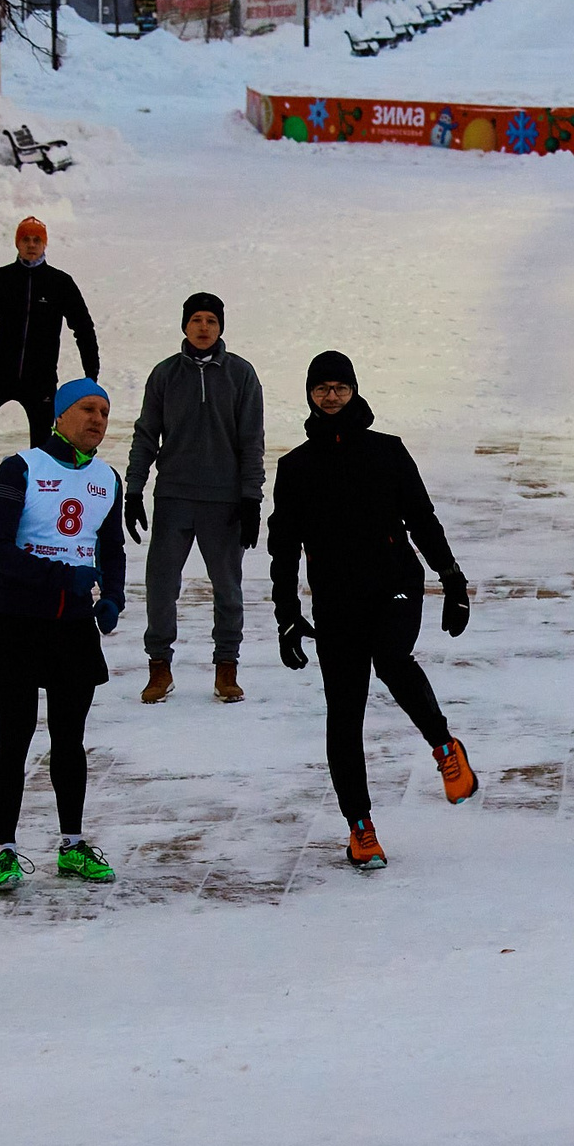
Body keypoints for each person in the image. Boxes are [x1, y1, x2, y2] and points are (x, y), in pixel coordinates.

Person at [269, 352, 479, 872]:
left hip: (394, 586)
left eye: (340, 388)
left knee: (390, 659)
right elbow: (282, 546)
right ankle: (360, 828)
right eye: (322, 389)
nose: (331, 397)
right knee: (344, 715)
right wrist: (287, 614)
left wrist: (451, 577)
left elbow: (422, 518)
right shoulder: (295, 467)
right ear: (310, 395)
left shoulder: (388, 451)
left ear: (355, 392)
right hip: (336, 601)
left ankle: (444, 746)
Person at [0, 379, 126, 893]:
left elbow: (112, 550)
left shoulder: (108, 478)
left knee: (70, 739)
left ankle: (71, 844)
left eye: (105, 412)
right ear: (61, 416)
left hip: (72, 627)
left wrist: (113, 596)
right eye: (87, 409)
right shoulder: (19, 468)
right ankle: (5, 850)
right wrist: (55, 577)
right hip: (20, 620)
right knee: (14, 737)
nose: (97, 420)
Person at [125, 292, 267, 704]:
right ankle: (159, 667)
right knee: (160, 585)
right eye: (196, 320)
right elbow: (146, 434)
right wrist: (134, 489)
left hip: (223, 502)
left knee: (227, 587)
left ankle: (227, 667)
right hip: (173, 497)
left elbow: (251, 441)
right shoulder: (165, 374)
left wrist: (251, 498)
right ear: (184, 325)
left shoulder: (241, 375)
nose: (204, 327)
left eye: (211, 320)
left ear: (221, 326)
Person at [0, 217, 100, 532]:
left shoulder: (59, 282)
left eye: (37, 240)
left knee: (42, 449)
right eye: (25, 239)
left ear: (45, 244)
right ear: (17, 243)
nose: (31, 245)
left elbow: (82, 326)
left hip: (39, 379)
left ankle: (35, 509)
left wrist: (91, 372)